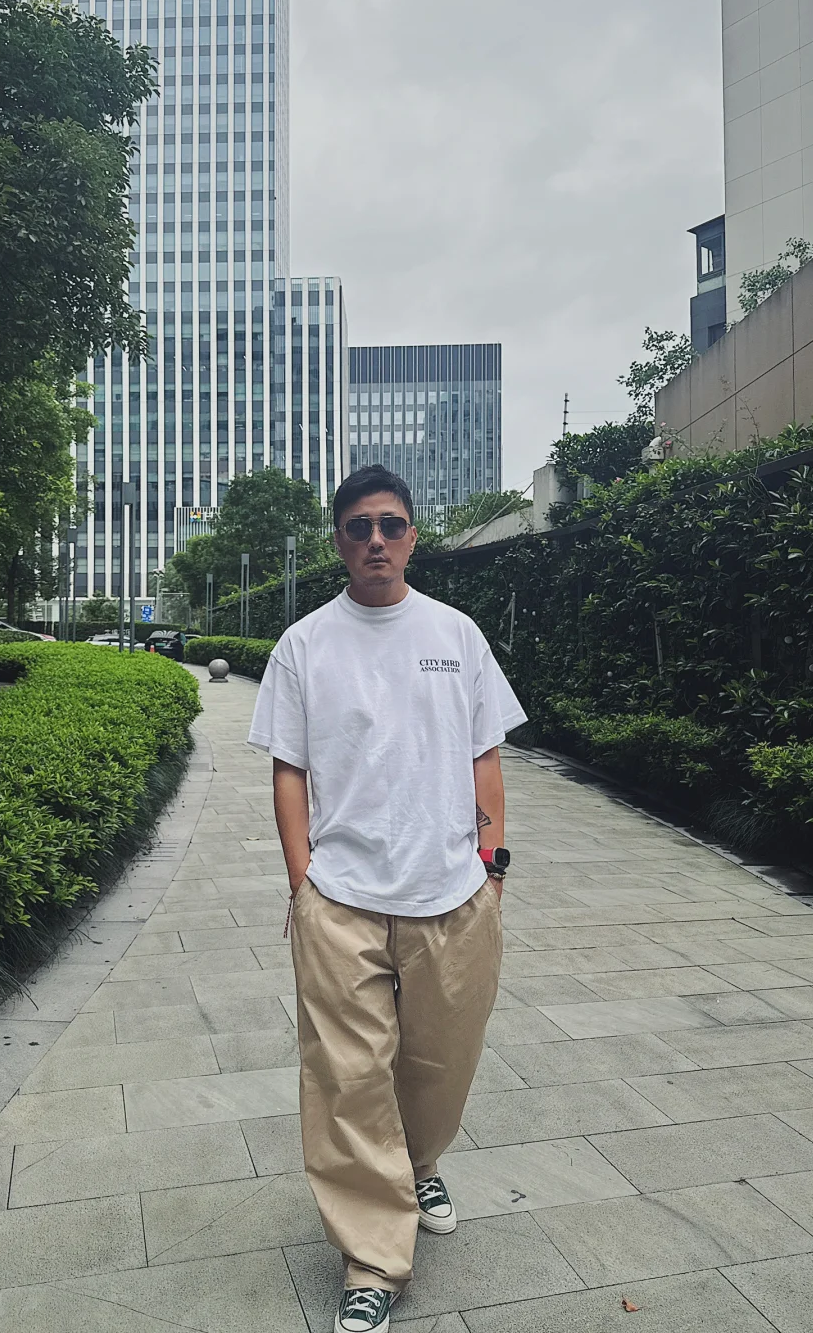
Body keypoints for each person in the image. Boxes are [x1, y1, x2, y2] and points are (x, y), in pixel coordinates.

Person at [248, 464, 526, 1332]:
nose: (376, 539)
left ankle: (419, 1159)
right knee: (348, 1077)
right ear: (338, 539)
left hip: (453, 894)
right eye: (359, 525)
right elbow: (288, 771)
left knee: (441, 1063)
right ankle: (372, 1258)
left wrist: (492, 868)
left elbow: (485, 756)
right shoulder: (304, 645)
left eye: (391, 524)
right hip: (341, 899)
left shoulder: (456, 634)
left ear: (412, 535)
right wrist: (302, 882)